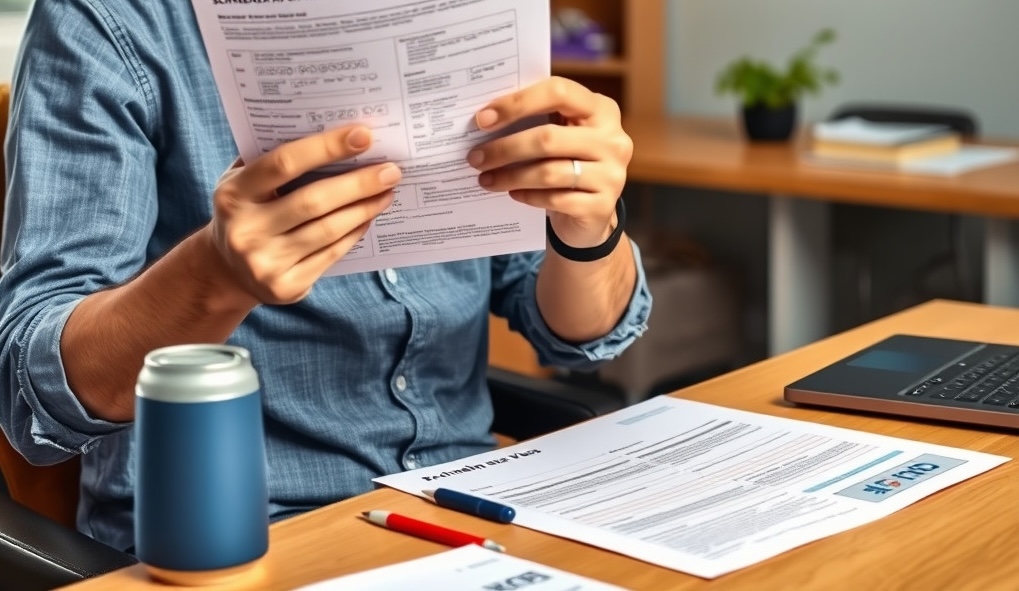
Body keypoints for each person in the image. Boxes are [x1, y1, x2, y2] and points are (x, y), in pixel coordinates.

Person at [0, 2, 651, 552]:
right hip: (243, 539)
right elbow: (33, 393)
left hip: (470, 515)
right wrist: (216, 273)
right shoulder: (113, 20)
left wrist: (587, 227)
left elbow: (576, 332)